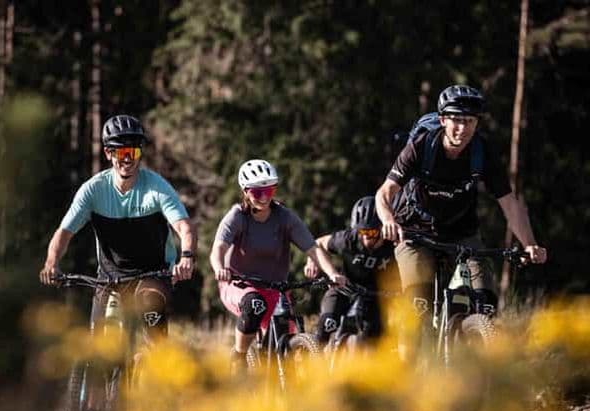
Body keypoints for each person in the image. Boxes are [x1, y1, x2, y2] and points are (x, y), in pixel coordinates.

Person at [375, 84, 547, 333]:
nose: (462, 128)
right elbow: (384, 193)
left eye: (469, 121)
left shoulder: (482, 152)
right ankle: (409, 364)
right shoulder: (422, 145)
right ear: (443, 120)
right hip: (415, 232)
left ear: (477, 123)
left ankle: (476, 359)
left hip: (462, 232)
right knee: (417, 310)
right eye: (455, 120)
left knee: (486, 304)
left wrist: (529, 243)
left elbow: (509, 202)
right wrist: (389, 220)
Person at [39, 114, 196, 339]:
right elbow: (64, 233)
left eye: (134, 152)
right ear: (108, 154)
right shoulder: (93, 190)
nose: (128, 159)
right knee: (99, 344)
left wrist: (187, 256)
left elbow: (184, 227)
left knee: (153, 329)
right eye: (121, 153)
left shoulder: (157, 187)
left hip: (153, 272)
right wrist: (51, 263)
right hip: (110, 277)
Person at [210, 159, 347, 373]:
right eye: (257, 193)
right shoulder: (237, 216)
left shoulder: (284, 217)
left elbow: (312, 248)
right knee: (254, 304)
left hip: (275, 287)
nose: (264, 197)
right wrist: (220, 268)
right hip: (239, 284)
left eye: (269, 190)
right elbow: (218, 248)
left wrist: (332, 273)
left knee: (286, 333)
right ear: (245, 191)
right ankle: (239, 355)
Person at [305, 196, 398, 346]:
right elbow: (318, 243)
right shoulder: (349, 239)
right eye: (362, 232)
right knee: (327, 325)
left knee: (375, 341)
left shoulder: (393, 244)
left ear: (382, 228)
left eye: (372, 233)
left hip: (375, 296)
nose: (366, 238)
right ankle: (314, 361)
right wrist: (312, 262)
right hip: (344, 288)